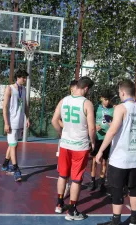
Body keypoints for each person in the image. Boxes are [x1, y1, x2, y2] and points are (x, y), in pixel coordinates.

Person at [96, 79, 136, 225]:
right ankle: (134, 218)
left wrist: (100, 151)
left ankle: (116, 221)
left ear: (123, 92)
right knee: (134, 189)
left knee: (117, 190)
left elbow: (112, 131)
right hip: (135, 156)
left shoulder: (121, 108)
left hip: (120, 158)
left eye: (119, 92)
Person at [51, 76, 96, 221]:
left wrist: (61, 133)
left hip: (65, 144)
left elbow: (54, 120)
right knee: (76, 179)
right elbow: (92, 128)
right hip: (80, 146)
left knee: (63, 175)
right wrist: (93, 143)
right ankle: (72, 211)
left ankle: (59, 204)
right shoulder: (87, 103)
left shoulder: (64, 100)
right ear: (86, 88)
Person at [1, 70, 30, 182]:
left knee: (13, 144)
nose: (25, 80)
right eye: (23, 78)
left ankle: (4, 164)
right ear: (18, 77)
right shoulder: (10, 89)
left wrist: (27, 118)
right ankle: (16, 169)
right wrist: (6, 123)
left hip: (19, 122)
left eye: (25, 78)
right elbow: (4, 107)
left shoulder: (24, 89)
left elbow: (26, 106)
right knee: (14, 145)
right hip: (11, 122)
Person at [89, 90, 115, 192]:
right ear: (101, 98)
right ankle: (92, 181)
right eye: (105, 99)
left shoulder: (113, 109)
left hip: (107, 139)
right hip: (97, 138)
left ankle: (102, 181)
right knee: (94, 160)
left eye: (108, 100)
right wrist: (95, 127)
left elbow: (115, 123)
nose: (107, 102)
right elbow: (90, 121)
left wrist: (111, 125)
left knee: (104, 161)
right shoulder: (95, 108)